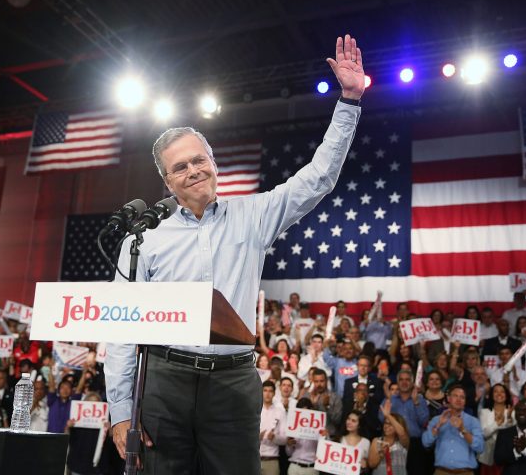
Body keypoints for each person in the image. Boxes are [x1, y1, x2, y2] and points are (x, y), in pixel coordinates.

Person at [105, 34, 365, 474]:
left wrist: (350, 102)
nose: (193, 171)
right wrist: (120, 410)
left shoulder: (254, 215)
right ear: (166, 182)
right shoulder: (142, 237)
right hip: (164, 382)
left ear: (214, 163)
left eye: (199, 160)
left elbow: (318, 178)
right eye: (180, 168)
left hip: (232, 382)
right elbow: (121, 330)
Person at [422, 384, 484, 475]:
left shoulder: (473, 421)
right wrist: (438, 425)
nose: (458, 399)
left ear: (465, 401)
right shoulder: (437, 420)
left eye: (462, 397)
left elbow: (480, 447)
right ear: (449, 398)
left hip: (465, 472)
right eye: (455, 396)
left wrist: (463, 430)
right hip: (441, 471)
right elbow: (425, 442)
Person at [379, 369, 429, 475]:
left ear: (412, 383)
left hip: (415, 445)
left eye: (407, 380)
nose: (404, 382)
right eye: (401, 380)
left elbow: (424, 422)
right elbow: (381, 418)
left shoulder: (420, 399)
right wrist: (388, 400)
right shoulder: (390, 399)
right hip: (394, 443)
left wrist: (416, 403)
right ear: (397, 382)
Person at [477, 384, 515, 475]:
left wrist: (509, 419)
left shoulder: (512, 413)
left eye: (502, 391)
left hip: (506, 456)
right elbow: (484, 434)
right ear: (491, 395)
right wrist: (497, 424)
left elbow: (513, 435)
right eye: (496, 391)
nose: (499, 394)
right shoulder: (484, 412)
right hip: (488, 457)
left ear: (506, 395)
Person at [368, 407, 409, 475]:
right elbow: (371, 464)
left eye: (391, 424)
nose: (386, 426)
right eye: (386, 423)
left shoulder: (402, 442)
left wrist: (388, 415)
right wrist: (381, 453)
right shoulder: (377, 441)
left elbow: (402, 432)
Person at [285, 398, 319, 475]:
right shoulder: (293, 427)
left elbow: (323, 449)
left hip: (311, 468)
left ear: (311, 410)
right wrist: (289, 444)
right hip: (294, 466)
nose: (304, 415)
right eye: (301, 412)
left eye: (306, 412)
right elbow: (288, 453)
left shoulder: (318, 427)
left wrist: (324, 436)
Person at [260, 380, 287, 475]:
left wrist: (275, 438)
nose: (267, 394)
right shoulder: (254, 411)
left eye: (270, 391)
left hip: (272, 459)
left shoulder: (280, 411)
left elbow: (285, 439)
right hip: (254, 459)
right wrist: (256, 438)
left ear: (274, 393)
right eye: (265, 390)